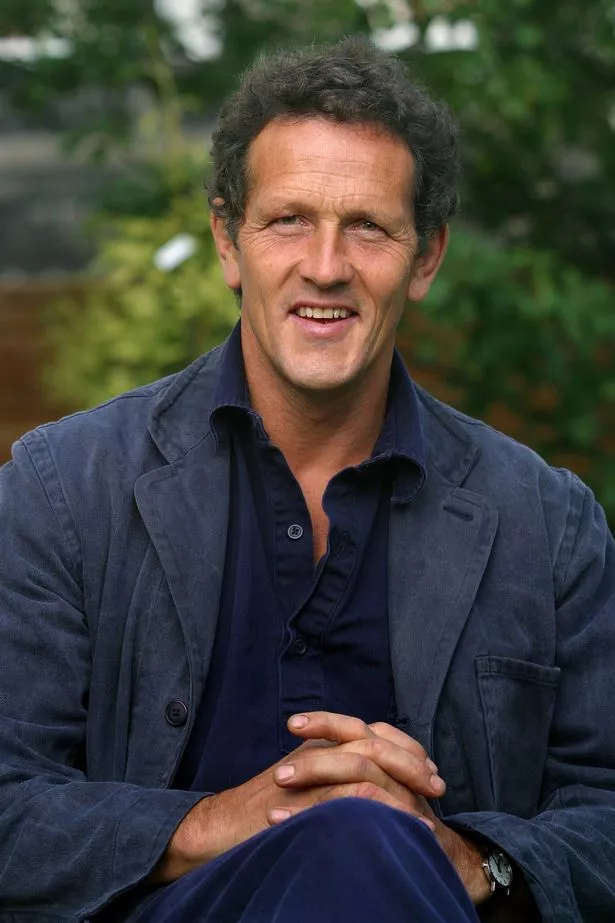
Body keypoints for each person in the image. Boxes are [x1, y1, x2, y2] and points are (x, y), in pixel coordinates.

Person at [0, 35, 614, 923]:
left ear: (427, 256)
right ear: (226, 240)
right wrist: (215, 823)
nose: (325, 265)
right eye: (288, 219)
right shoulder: (62, 488)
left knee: (366, 845)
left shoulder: (547, 524)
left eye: (367, 226)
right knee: (351, 837)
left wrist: (472, 859)